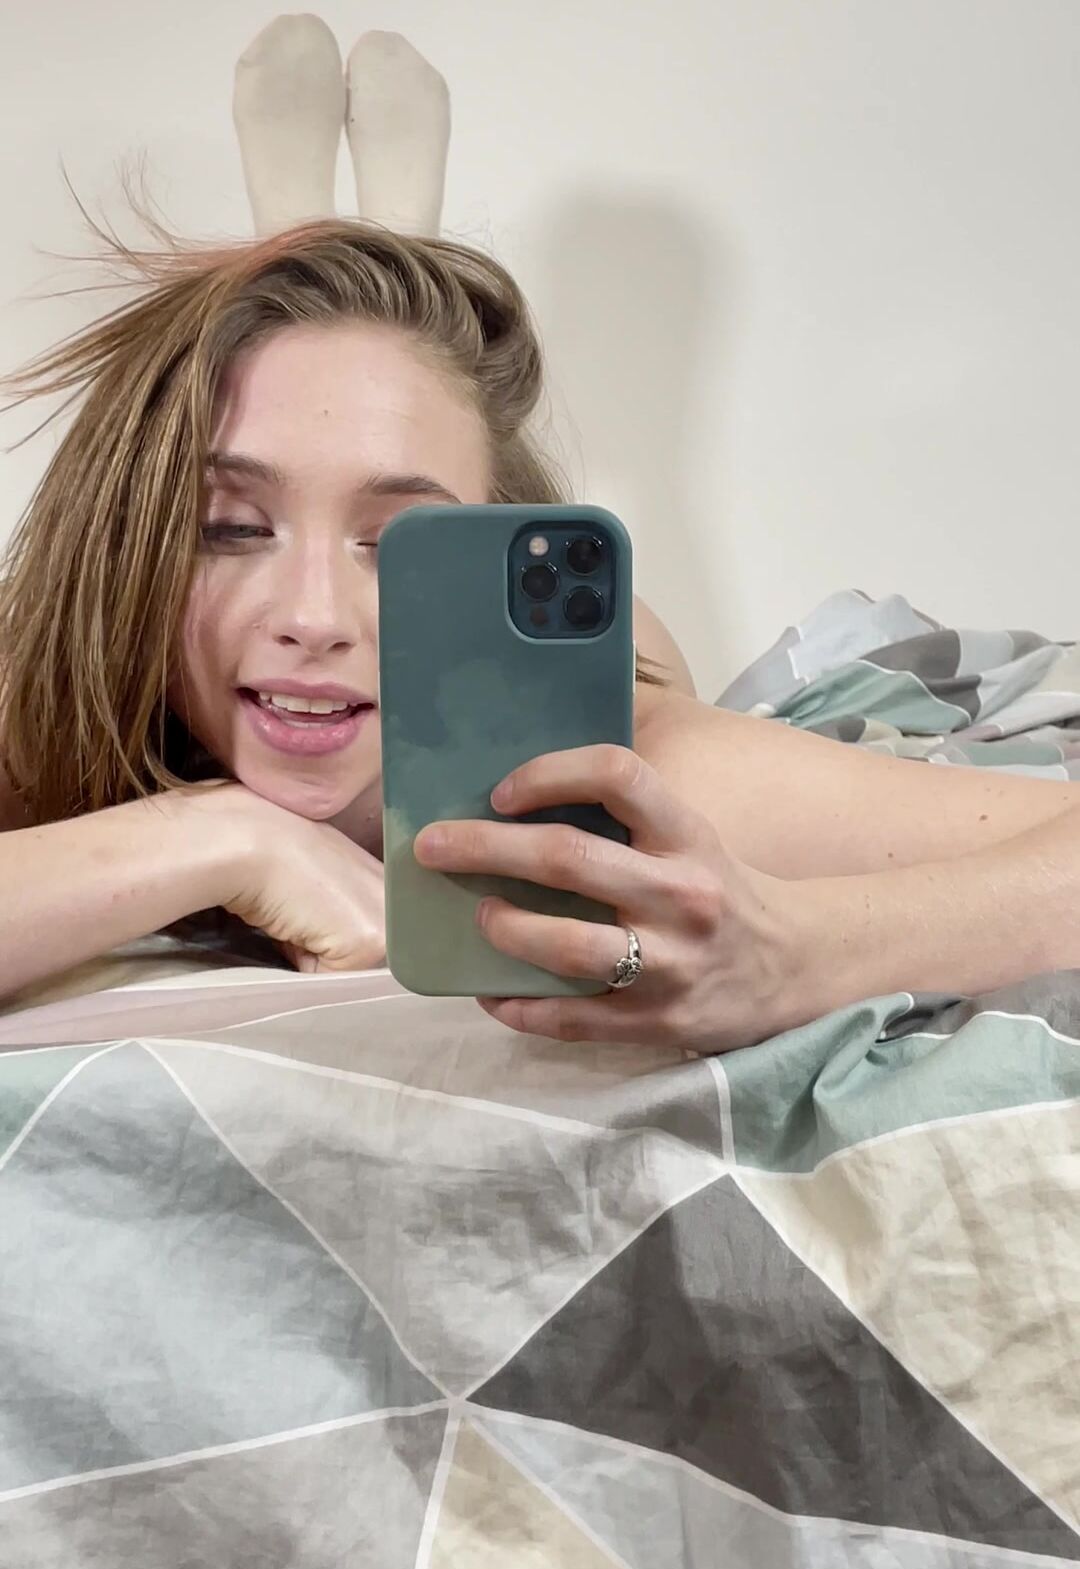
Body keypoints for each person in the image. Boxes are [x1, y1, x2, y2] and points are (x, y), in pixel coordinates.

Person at [1, 214, 1078, 1054]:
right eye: (232, 528)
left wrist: (797, 954)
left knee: (629, 635)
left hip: (561, 685)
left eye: (406, 542)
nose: (311, 617)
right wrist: (219, 835)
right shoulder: (59, 683)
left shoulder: (623, 771)